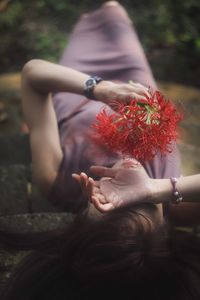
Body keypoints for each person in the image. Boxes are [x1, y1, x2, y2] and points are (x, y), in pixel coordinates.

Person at [1, 2, 200, 299]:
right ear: (166, 228)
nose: (130, 174)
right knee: (114, 11)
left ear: (82, 216)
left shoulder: (55, 180)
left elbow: (33, 73)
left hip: (76, 86)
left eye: (112, 202)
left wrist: (99, 88)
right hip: (135, 81)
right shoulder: (181, 205)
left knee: (89, 22)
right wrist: (158, 189)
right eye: (144, 202)